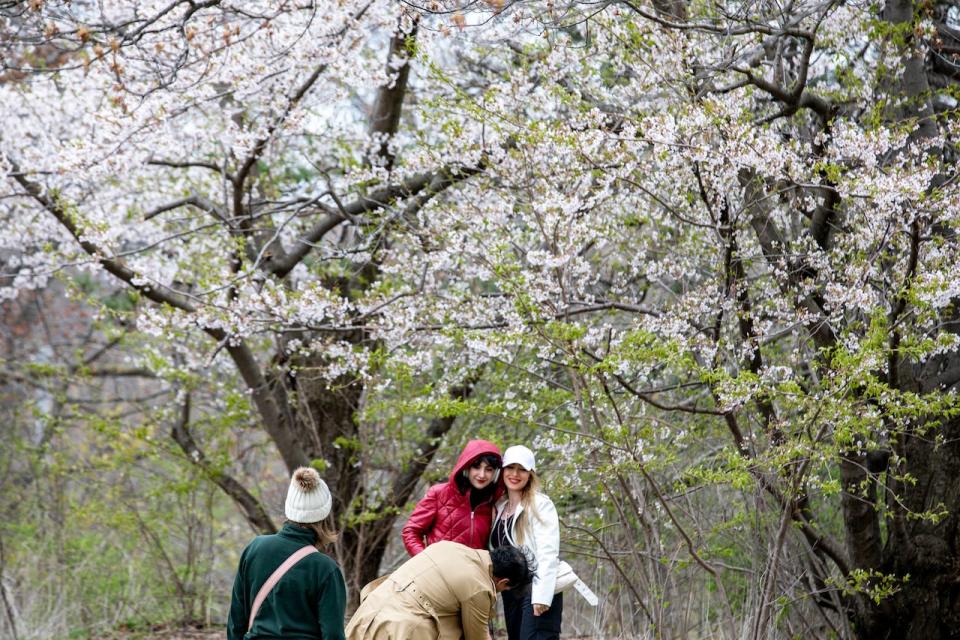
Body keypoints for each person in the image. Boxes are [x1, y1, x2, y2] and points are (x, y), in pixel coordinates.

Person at [227, 467, 347, 640]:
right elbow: (333, 635)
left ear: (289, 508)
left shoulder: (255, 548)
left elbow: (236, 622)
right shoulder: (325, 569)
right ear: (325, 515)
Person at [345, 540, 535, 640]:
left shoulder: (448, 547)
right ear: (504, 582)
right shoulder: (479, 588)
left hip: (370, 611)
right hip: (399, 630)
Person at [490, 445, 562, 640]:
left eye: (522, 469)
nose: (515, 474)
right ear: (503, 471)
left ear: (530, 474)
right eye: (510, 468)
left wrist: (542, 597)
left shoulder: (540, 504)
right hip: (511, 592)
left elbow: (548, 553)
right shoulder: (499, 506)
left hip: (536, 588)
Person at [402, 439, 503, 556]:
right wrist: (426, 560)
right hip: (437, 571)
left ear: (495, 473)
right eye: (476, 467)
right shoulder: (439, 493)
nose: (482, 474)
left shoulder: (494, 503)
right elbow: (410, 531)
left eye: (489, 469)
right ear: (467, 467)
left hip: (471, 573)